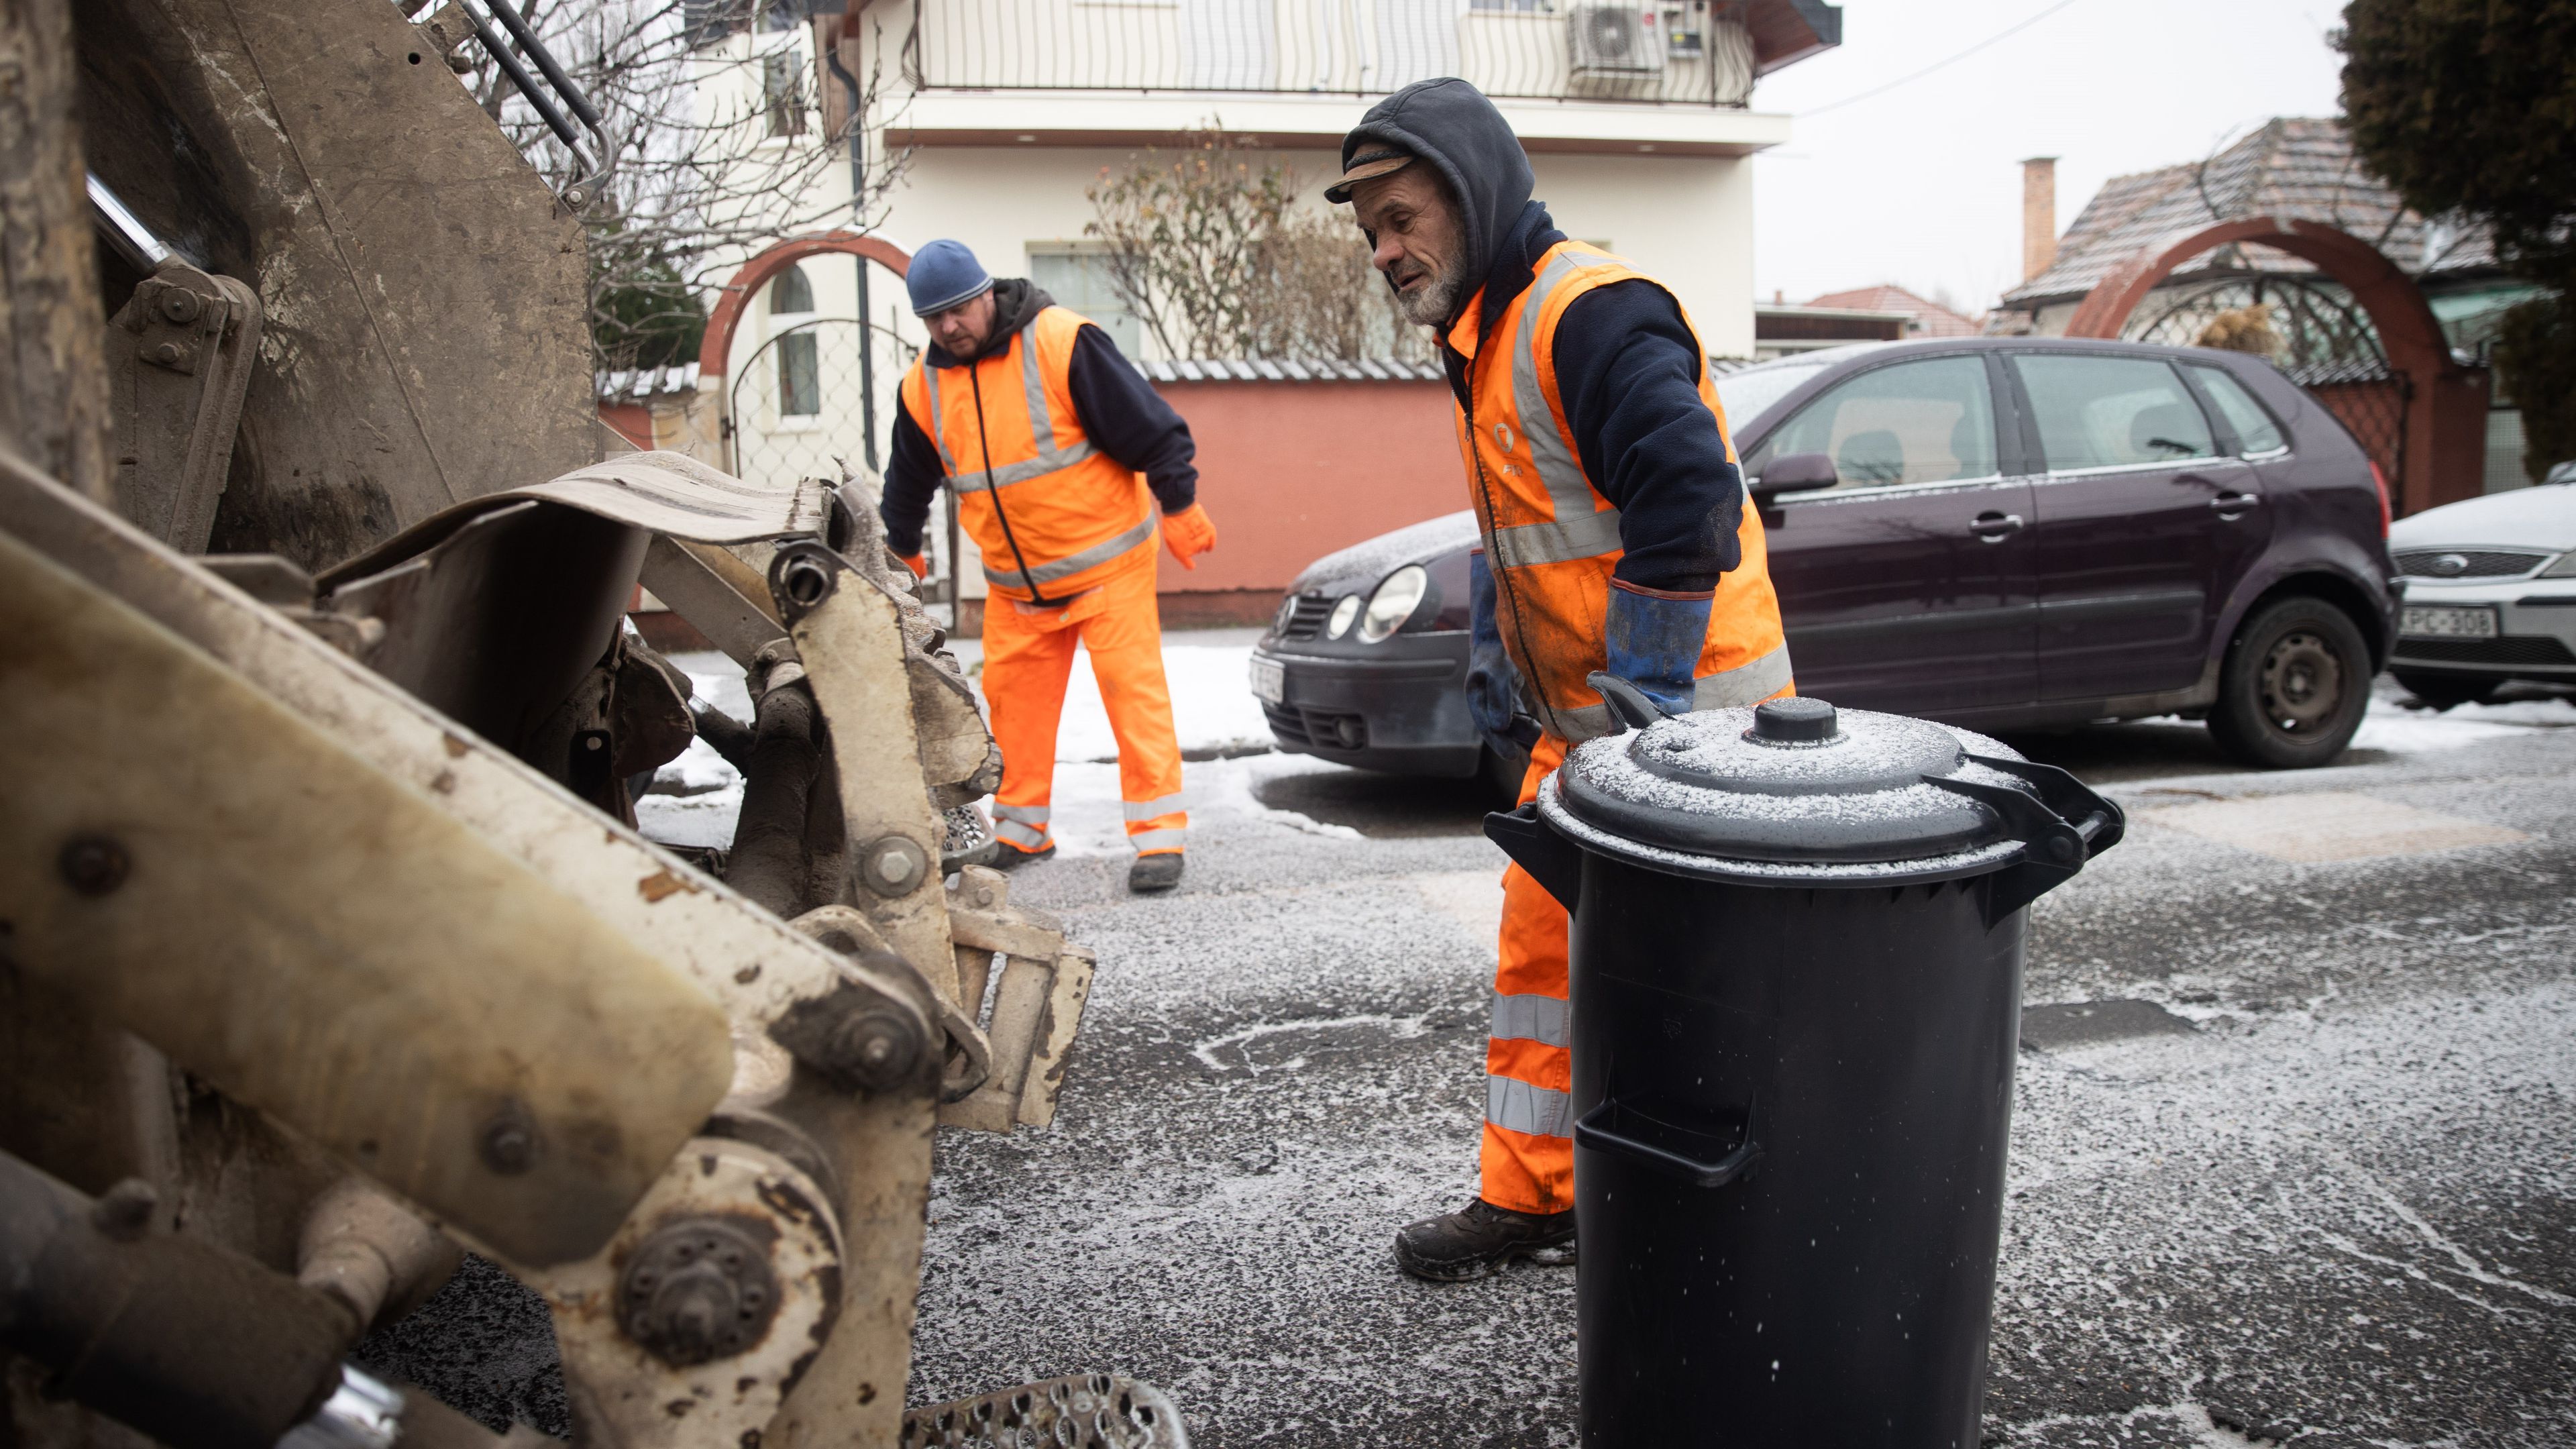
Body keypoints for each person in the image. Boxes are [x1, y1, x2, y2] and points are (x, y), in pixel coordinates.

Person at [1326, 80, 1794, 1280]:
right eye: (1371, 228)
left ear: (1472, 193)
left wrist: (1647, 689)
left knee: (1715, 984)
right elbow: (1533, 520)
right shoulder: (1481, 329)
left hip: (1704, 730)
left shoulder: (1588, 311)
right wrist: (1503, 652)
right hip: (1585, 732)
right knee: (1544, 966)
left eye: (1401, 216)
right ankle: (1536, 1197)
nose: (1385, 249)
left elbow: (1686, 501)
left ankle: (1760, 1201)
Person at [881, 240, 1218, 894]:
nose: (949, 327)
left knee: (1134, 701)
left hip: (1108, 570)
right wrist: (902, 552)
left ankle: (1159, 838)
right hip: (1015, 589)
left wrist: (1178, 501)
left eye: (957, 310)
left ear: (988, 294)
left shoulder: (1062, 343)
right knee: (1011, 713)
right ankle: (1020, 830)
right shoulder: (922, 387)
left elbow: (1155, 429)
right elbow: (907, 481)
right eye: (933, 319)